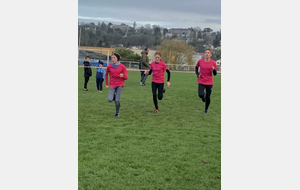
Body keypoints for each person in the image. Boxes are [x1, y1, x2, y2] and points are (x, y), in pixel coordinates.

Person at [105, 53, 128, 117]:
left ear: (117, 58)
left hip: (120, 85)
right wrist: (107, 83)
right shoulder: (109, 66)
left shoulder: (122, 66)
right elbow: (106, 74)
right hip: (112, 85)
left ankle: (117, 113)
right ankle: (114, 96)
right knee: (110, 99)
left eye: (114, 57)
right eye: (112, 58)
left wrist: (123, 76)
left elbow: (126, 77)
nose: (113, 59)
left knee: (117, 100)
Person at [195, 48, 218, 114]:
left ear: (211, 54)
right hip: (201, 80)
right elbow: (196, 67)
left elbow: (215, 74)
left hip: (209, 82)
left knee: (208, 97)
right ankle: (203, 96)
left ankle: (206, 109)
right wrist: (197, 74)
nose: (207, 54)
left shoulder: (213, 63)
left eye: (208, 53)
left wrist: (214, 70)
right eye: (206, 52)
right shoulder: (200, 61)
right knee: (200, 95)